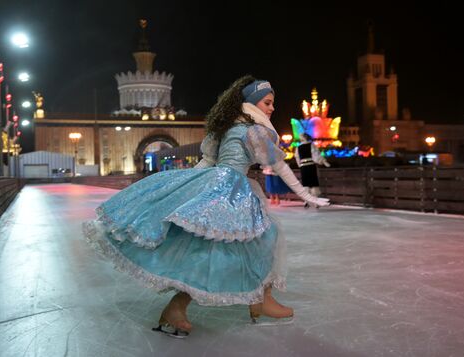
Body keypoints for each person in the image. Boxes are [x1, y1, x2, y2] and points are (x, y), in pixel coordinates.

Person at [83, 75, 329, 338]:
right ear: (252, 103)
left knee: (253, 240)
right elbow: (279, 166)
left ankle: (257, 301)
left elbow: (206, 163)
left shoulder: (224, 128)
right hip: (230, 191)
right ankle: (208, 305)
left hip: (223, 186)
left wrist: (190, 182)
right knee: (240, 244)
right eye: (268, 103)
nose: (272, 108)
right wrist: (306, 194)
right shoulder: (253, 130)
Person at [295, 133, 331, 207]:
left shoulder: (299, 147)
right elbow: (316, 155)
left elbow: (297, 157)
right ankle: (312, 201)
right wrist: (323, 161)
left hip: (304, 167)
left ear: (304, 137)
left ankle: (309, 201)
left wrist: (299, 164)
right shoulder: (309, 145)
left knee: (307, 183)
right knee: (312, 182)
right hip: (310, 165)